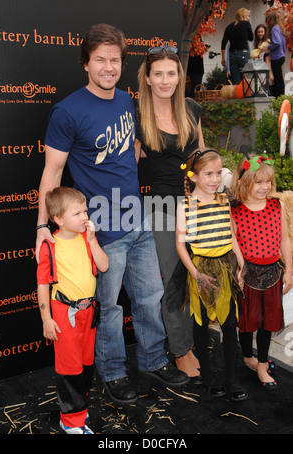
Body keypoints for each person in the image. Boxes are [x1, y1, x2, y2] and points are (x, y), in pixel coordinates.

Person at [35, 23, 189, 407]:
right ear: (86, 63)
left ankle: (153, 360)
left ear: (123, 63)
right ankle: (114, 373)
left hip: (137, 218)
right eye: (100, 59)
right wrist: (42, 224)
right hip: (100, 228)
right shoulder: (67, 111)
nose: (108, 66)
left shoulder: (126, 101)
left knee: (150, 297)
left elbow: (132, 151)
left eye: (115, 60)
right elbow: (52, 173)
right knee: (110, 309)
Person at [135, 46, 204, 379]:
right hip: (163, 209)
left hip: (198, 205)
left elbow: (202, 155)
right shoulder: (139, 117)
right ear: (147, 78)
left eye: (171, 73)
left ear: (180, 76)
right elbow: (127, 167)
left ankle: (194, 339)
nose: (165, 80)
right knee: (174, 281)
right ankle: (180, 348)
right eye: (158, 74)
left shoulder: (192, 108)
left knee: (198, 272)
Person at [175, 148, 248, 401]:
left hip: (226, 267)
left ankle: (231, 379)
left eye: (218, 173)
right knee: (201, 323)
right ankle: (207, 376)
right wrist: (195, 273)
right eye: (209, 174)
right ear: (194, 177)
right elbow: (179, 244)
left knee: (229, 325)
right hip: (201, 270)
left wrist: (241, 264)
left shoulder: (223, 200)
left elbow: (232, 237)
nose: (216, 179)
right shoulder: (185, 205)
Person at [37, 187, 109, 434]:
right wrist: (47, 319)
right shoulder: (50, 245)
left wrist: (91, 241)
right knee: (70, 368)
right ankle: (70, 421)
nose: (84, 217)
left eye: (85, 210)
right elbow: (43, 285)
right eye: (77, 213)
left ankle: (79, 409)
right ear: (58, 219)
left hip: (88, 311)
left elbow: (104, 265)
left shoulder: (87, 238)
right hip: (63, 313)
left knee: (86, 363)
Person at [231, 156, 293, 389]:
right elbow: (233, 242)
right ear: (244, 182)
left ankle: (262, 363)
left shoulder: (278, 205)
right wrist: (239, 269)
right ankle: (248, 356)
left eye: (268, 182)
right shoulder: (235, 210)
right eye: (258, 182)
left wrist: (289, 270)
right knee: (247, 322)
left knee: (268, 321)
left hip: (273, 273)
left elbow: (285, 240)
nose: (265, 187)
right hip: (248, 274)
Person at [221, 8, 253, 85]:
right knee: (246, 80)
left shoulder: (229, 26)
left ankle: (237, 96)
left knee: (235, 82)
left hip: (232, 56)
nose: (248, 18)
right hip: (243, 54)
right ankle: (246, 95)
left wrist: (223, 58)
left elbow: (223, 43)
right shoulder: (246, 24)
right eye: (248, 16)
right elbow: (251, 38)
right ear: (244, 16)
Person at [262, 11, 287, 98]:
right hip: (282, 55)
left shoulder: (274, 29)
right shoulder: (280, 28)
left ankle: (279, 96)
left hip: (276, 57)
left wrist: (267, 48)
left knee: (277, 79)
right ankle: (281, 95)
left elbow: (277, 43)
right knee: (279, 77)